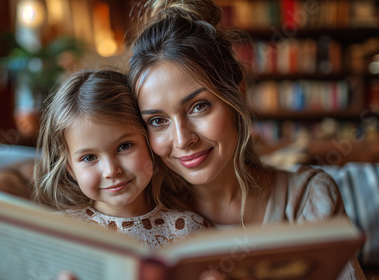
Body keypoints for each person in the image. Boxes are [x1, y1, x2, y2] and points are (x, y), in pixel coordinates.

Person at [126, 0, 365, 278]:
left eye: (199, 106)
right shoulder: (137, 216)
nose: (182, 139)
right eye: (157, 121)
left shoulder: (308, 199)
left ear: (237, 95)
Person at [33, 69, 209, 250]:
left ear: (149, 143)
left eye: (124, 146)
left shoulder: (188, 230)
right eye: (89, 157)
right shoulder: (58, 231)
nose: (111, 170)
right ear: (71, 168)